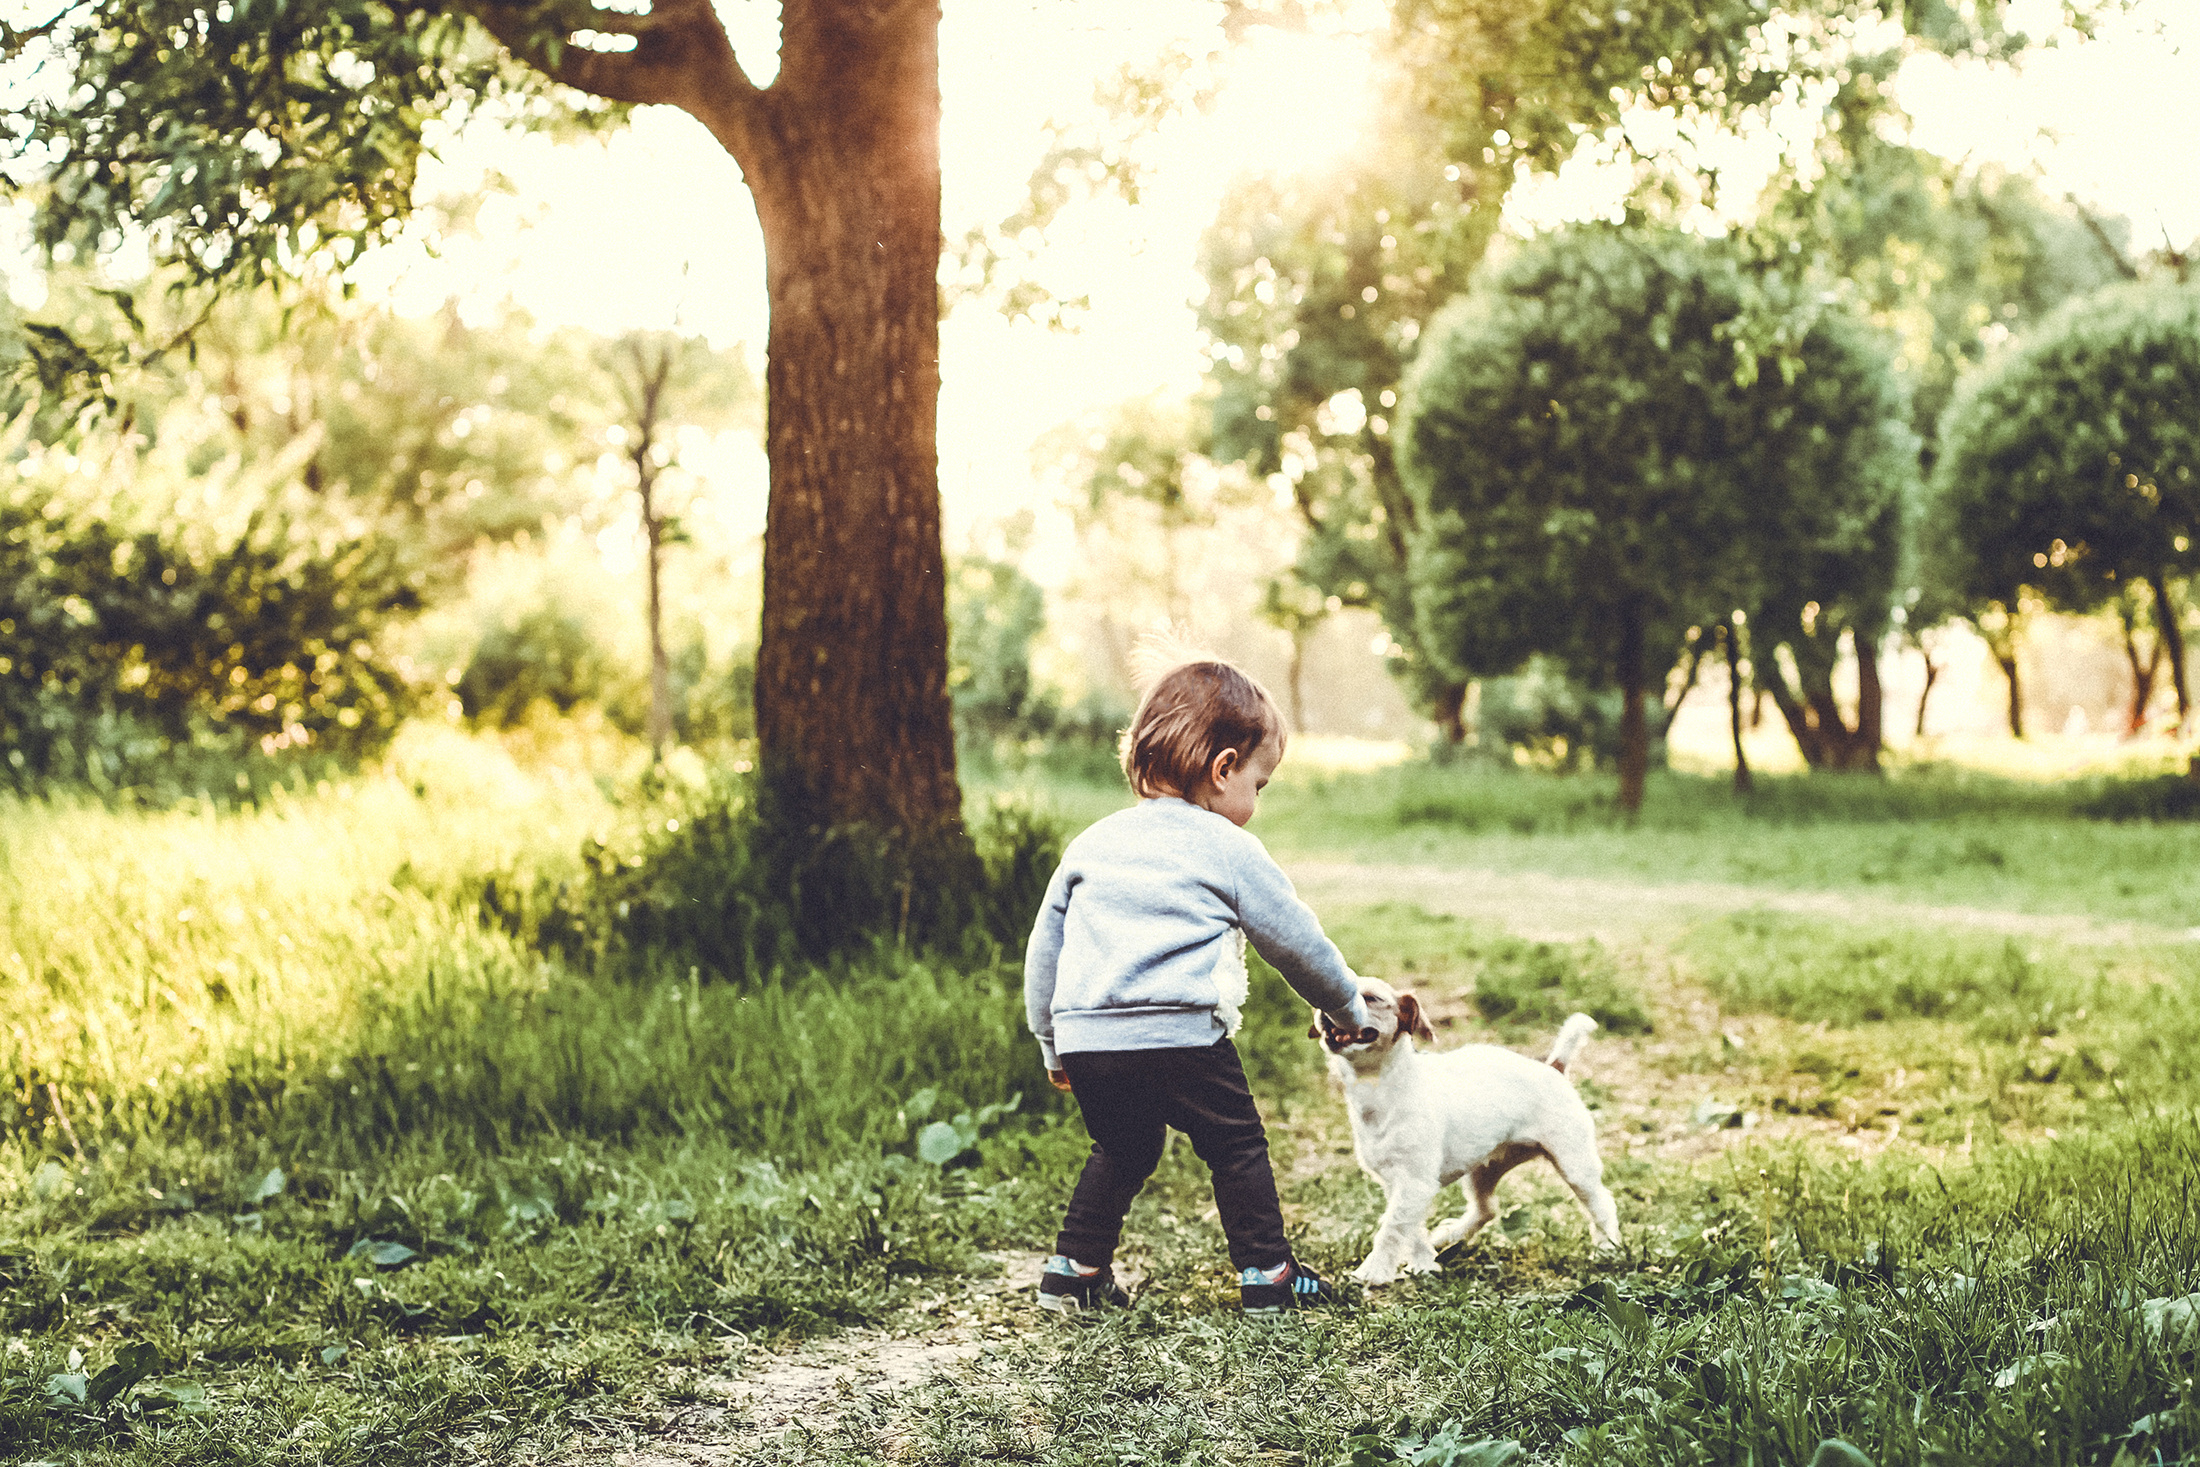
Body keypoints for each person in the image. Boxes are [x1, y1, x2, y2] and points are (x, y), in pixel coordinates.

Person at [1024, 655, 1371, 1315]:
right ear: (1223, 768)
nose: (1256, 800)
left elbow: (1046, 948)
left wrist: (1051, 1043)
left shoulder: (1092, 844)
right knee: (1235, 1144)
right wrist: (1344, 1003)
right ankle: (1268, 1275)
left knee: (1122, 1145)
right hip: (1182, 1032)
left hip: (1089, 1038)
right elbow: (1296, 942)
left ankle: (1073, 1270)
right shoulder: (1227, 847)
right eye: (1260, 783)